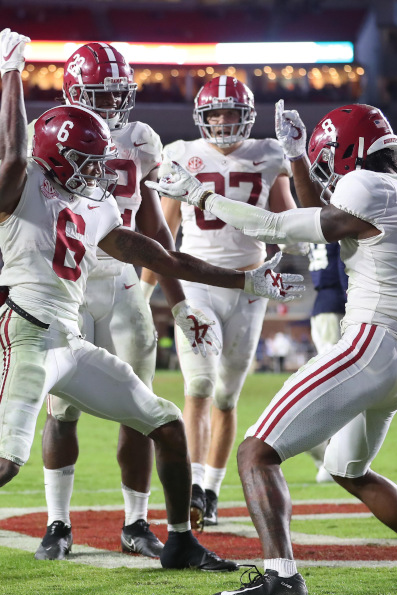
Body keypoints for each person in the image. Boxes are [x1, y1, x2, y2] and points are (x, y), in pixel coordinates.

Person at [0, 29, 304, 589]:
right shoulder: (18, 185)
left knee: (167, 422)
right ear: (54, 154)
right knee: (7, 461)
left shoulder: (95, 201)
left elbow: (154, 251)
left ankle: (178, 539)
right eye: (87, 160)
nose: (99, 171)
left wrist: (245, 279)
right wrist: (11, 72)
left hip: (69, 342)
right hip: (28, 335)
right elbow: (13, 149)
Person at [151, 102, 397, 595]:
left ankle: (282, 578)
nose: (329, 169)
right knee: (349, 471)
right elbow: (318, 218)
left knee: (256, 454)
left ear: (351, 149)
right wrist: (297, 159)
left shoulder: (365, 187)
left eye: (329, 156)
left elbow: (282, 227)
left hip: (368, 344)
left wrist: (200, 195)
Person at [32, 42, 213, 562]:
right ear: (73, 92)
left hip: (124, 280)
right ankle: (57, 523)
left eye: (118, 93)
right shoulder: (46, 130)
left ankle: (135, 522)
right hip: (69, 280)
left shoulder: (139, 138)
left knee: (141, 409)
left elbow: (155, 226)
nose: (112, 104)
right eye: (100, 93)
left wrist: (178, 304)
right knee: (62, 407)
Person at [139, 76, 298, 529]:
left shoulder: (269, 153)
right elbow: (162, 233)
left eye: (232, 113)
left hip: (249, 287)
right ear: (202, 118)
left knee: (227, 396)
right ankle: (190, 485)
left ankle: (210, 489)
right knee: (200, 384)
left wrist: (299, 244)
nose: (224, 122)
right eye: (216, 114)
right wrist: (145, 291)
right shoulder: (180, 153)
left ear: (246, 116)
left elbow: (286, 216)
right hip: (196, 282)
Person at [303, 241, 349, 483]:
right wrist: (351, 301)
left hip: (321, 306)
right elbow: (344, 266)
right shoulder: (335, 228)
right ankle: (330, 454)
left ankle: (330, 454)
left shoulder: (317, 230)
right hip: (334, 307)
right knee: (335, 383)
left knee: (334, 381)